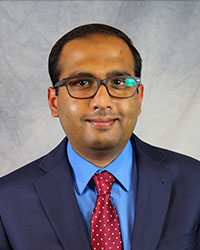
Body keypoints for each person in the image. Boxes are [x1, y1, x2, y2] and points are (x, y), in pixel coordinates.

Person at [0, 23, 199, 250]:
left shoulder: (194, 183)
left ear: (139, 97)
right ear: (54, 102)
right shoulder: (6, 201)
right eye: (82, 83)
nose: (102, 102)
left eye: (119, 82)